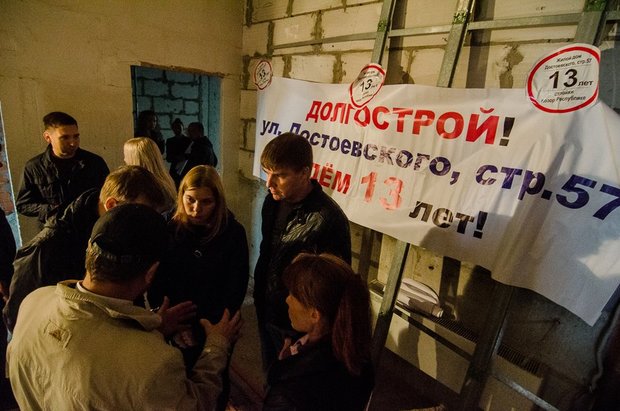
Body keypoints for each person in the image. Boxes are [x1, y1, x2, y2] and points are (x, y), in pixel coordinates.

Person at [6, 203, 242, 410]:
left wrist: (152, 330)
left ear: (90, 249)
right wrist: (216, 345)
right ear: (150, 273)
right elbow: (196, 405)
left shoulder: (34, 301)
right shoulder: (155, 365)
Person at [2, 165, 168, 331]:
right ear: (111, 204)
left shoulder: (124, 235)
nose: (148, 224)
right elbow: (18, 318)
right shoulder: (48, 247)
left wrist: (146, 324)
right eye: (141, 213)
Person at [149, 165, 249, 411]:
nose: (196, 209)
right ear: (181, 195)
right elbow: (157, 280)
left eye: (206, 202)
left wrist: (211, 331)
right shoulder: (168, 227)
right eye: (190, 200)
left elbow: (235, 286)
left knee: (215, 383)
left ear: (218, 201)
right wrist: (172, 324)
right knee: (175, 382)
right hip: (175, 322)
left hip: (215, 323)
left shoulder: (232, 232)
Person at [254, 132, 352, 372]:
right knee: (271, 376)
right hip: (267, 309)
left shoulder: (328, 219)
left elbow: (333, 288)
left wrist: (307, 335)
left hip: (297, 326)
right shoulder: (272, 202)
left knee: (293, 384)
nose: (269, 183)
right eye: (267, 172)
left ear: (305, 173)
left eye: (280, 175)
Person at [263, 253, 374, 411]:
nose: (287, 300)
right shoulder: (356, 356)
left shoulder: (291, 392)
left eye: (293, 294)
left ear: (315, 314)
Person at [16, 111, 109, 227]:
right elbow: (23, 204)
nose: (72, 143)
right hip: (55, 230)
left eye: (76, 136)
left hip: (89, 228)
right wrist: (50, 210)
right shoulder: (34, 167)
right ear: (47, 137)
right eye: (65, 137)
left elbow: (109, 195)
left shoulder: (94, 162)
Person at [124, 137, 177, 214]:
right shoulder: (166, 182)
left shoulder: (141, 187)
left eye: (126, 156)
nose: (124, 159)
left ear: (135, 158)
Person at [166, 118, 192, 187]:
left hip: (185, 167)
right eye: (175, 127)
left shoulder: (188, 140)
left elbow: (191, 155)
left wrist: (184, 157)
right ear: (172, 129)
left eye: (179, 127)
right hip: (174, 169)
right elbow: (168, 158)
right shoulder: (170, 141)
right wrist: (177, 158)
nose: (177, 129)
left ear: (182, 127)